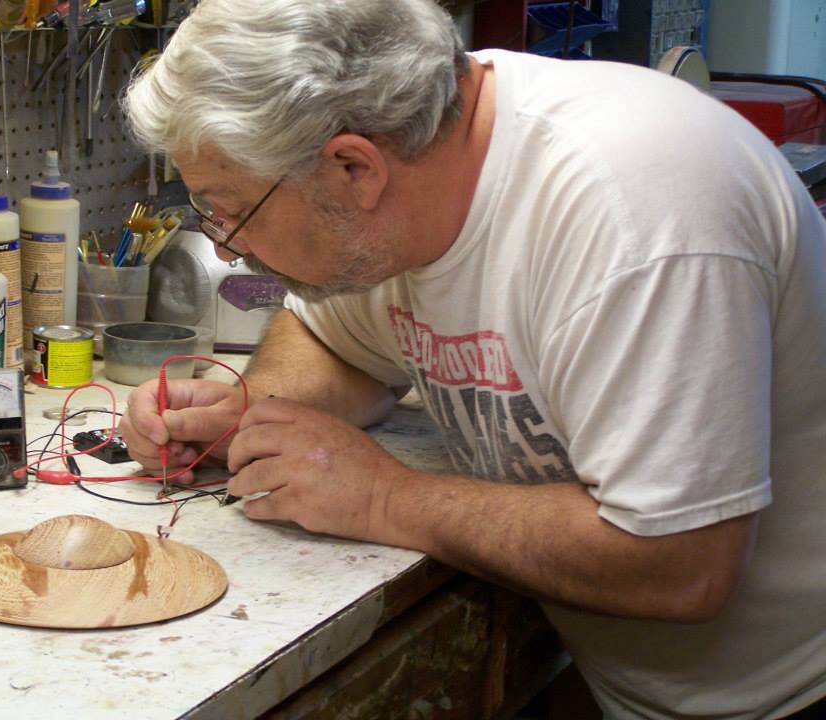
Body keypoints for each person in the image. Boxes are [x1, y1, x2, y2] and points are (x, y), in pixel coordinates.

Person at [119, 1, 826, 717]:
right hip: (635, 684)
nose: (231, 246)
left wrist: (384, 498)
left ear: (352, 168)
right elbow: (336, 341)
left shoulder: (635, 216)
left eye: (231, 208)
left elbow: (681, 565)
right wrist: (249, 409)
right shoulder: (417, 169)